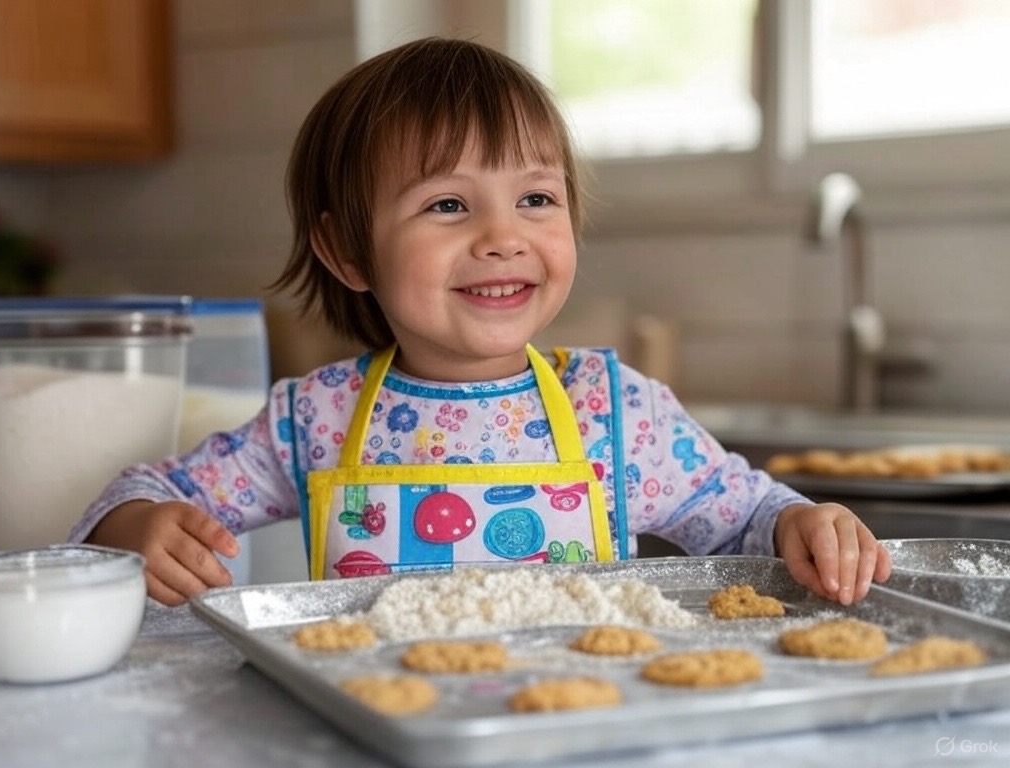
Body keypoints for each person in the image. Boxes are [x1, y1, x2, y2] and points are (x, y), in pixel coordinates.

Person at [72, 37, 891, 607]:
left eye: (536, 199)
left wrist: (802, 523)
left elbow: (747, 522)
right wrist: (135, 527)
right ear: (349, 249)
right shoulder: (312, 418)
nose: (503, 238)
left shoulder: (615, 411)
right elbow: (150, 489)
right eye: (448, 204)